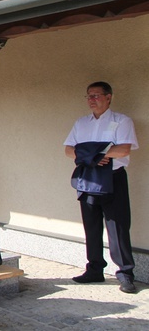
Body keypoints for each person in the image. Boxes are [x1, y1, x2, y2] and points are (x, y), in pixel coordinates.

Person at [64, 81, 139, 294]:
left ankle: (125, 273)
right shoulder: (81, 123)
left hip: (113, 177)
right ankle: (94, 268)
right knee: (92, 225)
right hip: (87, 176)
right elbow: (69, 150)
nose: (92, 100)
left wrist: (93, 154)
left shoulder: (122, 121)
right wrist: (100, 154)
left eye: (96, 95)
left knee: (118, 226)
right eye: (88, 96)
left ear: (109, 97)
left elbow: (124, 149)